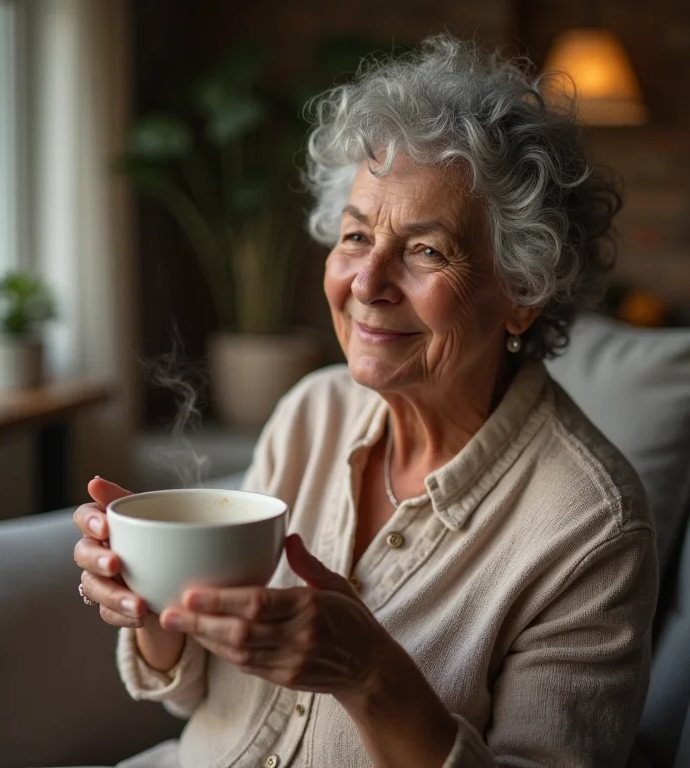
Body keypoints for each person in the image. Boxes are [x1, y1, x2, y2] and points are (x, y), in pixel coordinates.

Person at [73, 35, 657, 767]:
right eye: (355, 236)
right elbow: (196, 700)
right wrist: (154, 601)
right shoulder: (312, 412)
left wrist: (371, 675)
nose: (366, 282)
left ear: (524, 294)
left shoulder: (590, 528)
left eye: (426, 250)